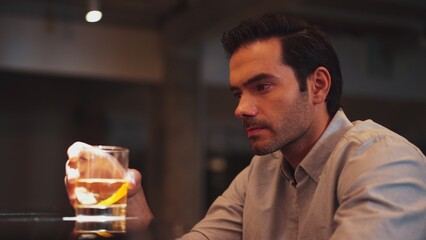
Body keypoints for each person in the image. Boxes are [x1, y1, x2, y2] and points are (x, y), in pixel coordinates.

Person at [65, 13, 426, 239]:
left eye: (262, 86)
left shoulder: (383, 160)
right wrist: (140, 223)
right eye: (237, 93)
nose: (241, 108)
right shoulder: (259, 175)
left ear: (318, 85)